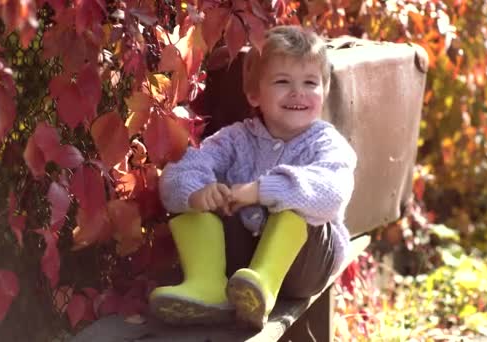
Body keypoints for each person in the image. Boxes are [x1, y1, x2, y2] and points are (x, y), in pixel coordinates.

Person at [149, 25, 358, 330]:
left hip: (305, 266)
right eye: (283, 81)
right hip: (241, 267)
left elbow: (332, 190)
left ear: (324, 92)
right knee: (197, 207)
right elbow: (182, 169)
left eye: (310, 82)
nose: (298, 92)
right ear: (254, 93)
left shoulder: (326, 143)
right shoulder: (235, 139)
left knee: (296, 206)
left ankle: (263, 284)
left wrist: (260, 191)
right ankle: (206, 286)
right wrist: (198, 194)